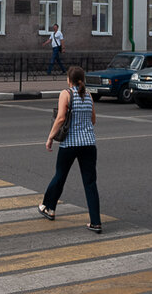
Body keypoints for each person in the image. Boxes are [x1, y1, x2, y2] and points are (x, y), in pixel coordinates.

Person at [39, 66, 101, 234]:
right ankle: (96, 222)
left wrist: (50, 138)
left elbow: (60, 118)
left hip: (70, 144)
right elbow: (93, 120)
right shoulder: (88, 95)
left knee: (60, 176)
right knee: (90, 183)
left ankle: (49, 208)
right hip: (89, 144)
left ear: (69, 79)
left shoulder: (66, 94)